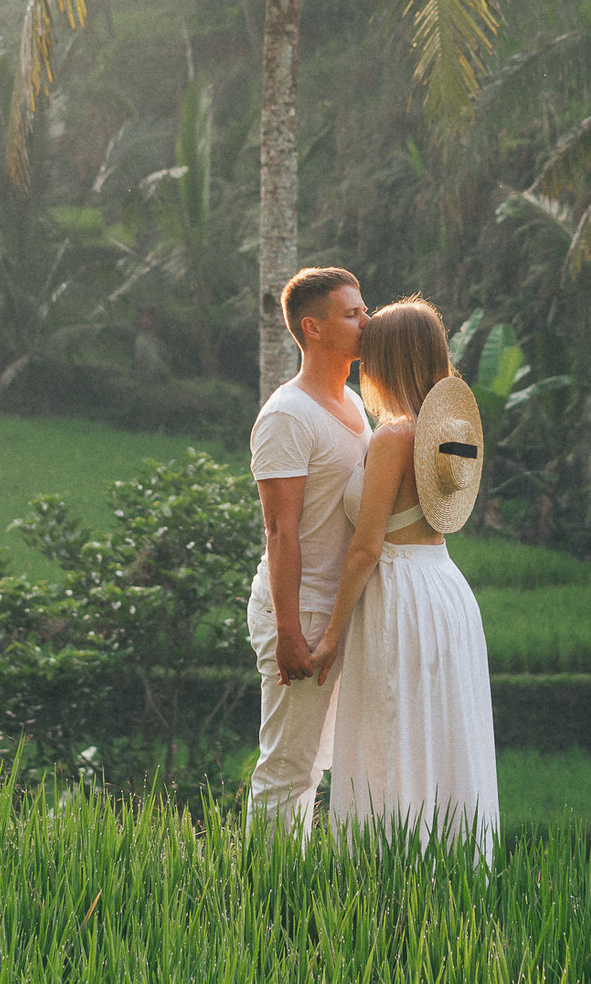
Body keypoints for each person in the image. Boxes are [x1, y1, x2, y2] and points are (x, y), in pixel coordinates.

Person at [312, 296, 499, 859]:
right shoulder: (451, 433)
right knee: (441, 734)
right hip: (443, 589)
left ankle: (394, 884)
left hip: (400, 595)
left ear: (388, 362)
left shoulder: (395, 438)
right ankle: (449, 874)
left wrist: (329, 637)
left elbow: (367, 546)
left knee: (393, 735)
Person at [246, 266, 371, 834]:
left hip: (336, 608)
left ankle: (285, 889)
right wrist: (291, 632)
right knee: (288, 766)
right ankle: (260, 900)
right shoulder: (287, 416)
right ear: (314, 329)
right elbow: (280, 531)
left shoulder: (352, 401)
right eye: (353, 314)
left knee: (316, 766)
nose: (367, 321)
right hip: (301, 610)